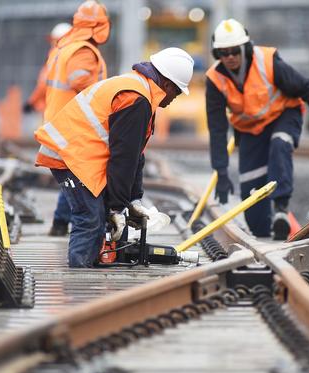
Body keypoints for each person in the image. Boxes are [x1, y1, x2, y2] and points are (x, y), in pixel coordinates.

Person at [34, 47, 194, 268]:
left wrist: (133, 199)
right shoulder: (136, 100)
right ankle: (80, 274)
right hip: (71, 156)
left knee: (96, 217)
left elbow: (135, 154)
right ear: (167, 84)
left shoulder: (141, 91)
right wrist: (117, 208)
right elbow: (123, 159)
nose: (174, 99)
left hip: (80, 156)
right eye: (177, 92)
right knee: (90, 219)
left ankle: (90, 264)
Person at [206, 18, 309, 240]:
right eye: (223, 52)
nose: (229, 57)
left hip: (284, 116)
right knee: (255, 216)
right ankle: (266, 226)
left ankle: (281, 208)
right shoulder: (215, 80)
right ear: (217, 54)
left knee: (280, 143)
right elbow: (217, 129)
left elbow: (306, 87)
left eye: (233, 51)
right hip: (251, 130)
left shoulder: (267, 62)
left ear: (244, 48)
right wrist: (221, 173)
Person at [42, 1, 110, 237]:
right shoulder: (83, 51)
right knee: (80, 182)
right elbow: (80, 82)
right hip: (73, 128)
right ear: (99, 26)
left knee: (73, 179)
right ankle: (79, 248)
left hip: (61, 124)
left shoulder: (65, 47)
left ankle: (60, 224)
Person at [22, 22, 72, 115]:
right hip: (63, 110)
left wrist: (31, 102)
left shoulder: (55, 57)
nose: (52, 44)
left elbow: (43, 83)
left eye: (54, 40)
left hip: (52, 111)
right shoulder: (72, 57)